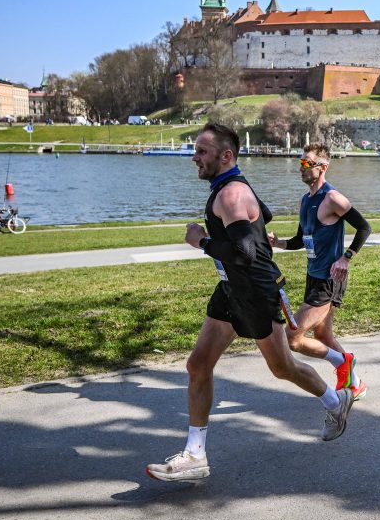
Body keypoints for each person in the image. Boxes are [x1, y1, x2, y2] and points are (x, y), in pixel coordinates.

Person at [146, 124, 355, 483]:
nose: (195, 157)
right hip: (230, 288)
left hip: (256, 292)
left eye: (202, 151)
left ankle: (337, 402)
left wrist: (201, 241)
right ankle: (195, 455)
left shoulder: (231, 194)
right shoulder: (232, 188)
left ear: (226, 156)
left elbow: (243, 252)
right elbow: (264, 214)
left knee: (283, 367)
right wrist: (249, 224)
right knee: (198, 364)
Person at [267, 142, 372, 401]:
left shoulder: (333, 198)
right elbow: (300, 240)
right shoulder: (305, 200)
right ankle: (356, 384)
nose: (301, 168)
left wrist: (347, 257)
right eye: (300, 162)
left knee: (292, 337)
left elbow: (364, 228)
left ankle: (343, 361)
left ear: (323, 167)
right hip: (313, 275)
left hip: (329, 278)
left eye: (307, 163)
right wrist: (278, 243)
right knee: (323, 335)